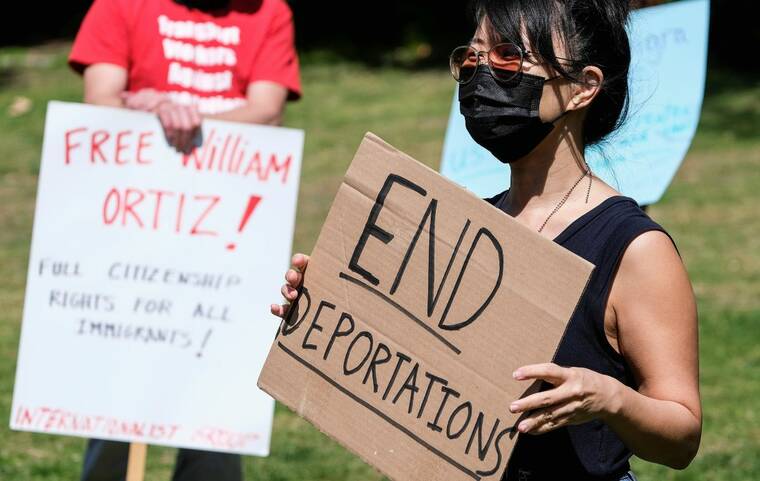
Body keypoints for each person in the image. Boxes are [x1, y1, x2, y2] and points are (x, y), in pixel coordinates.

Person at [271, 1, 701, 480]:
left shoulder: (632, 248)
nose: (481, 76)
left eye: (507, 58)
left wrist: (608, 397)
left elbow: (682, 435)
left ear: (583, 88)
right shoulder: (471, 226)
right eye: (472, 60)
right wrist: (329, 303)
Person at [69, 0, 300, 480]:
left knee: (214, 398)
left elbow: (268, 108)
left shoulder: (268, 11)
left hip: (227, 232)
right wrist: (145, 106)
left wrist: (178, 122)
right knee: (114, 392)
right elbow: (100, 99)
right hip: (133, 225)